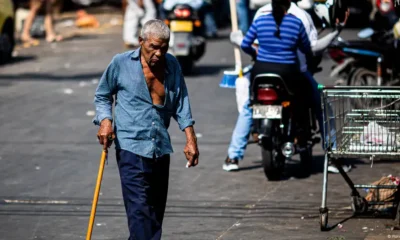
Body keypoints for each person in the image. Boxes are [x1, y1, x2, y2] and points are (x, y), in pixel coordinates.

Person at [93, 19, 199, 240]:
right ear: (141, 42)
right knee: (140, 213)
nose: (159, 53)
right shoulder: (121, 63)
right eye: (153, 47)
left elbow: (182, 102)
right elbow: (103, 95)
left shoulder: (172, 66)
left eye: (164, 47)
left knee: (154, 215)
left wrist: (190, 138)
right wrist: (105, 121)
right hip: (130, 147)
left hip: (159, 147)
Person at [223, 0, 351, 173]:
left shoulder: (260, 17)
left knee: (249, 106)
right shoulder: (299, 19)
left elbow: (245, 44)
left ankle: (233, 156)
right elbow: (310, 49)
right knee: (321, 104)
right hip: (290, 73)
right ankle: (334, 157)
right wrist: (337, 30)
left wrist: (256, 52)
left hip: (260, 72)